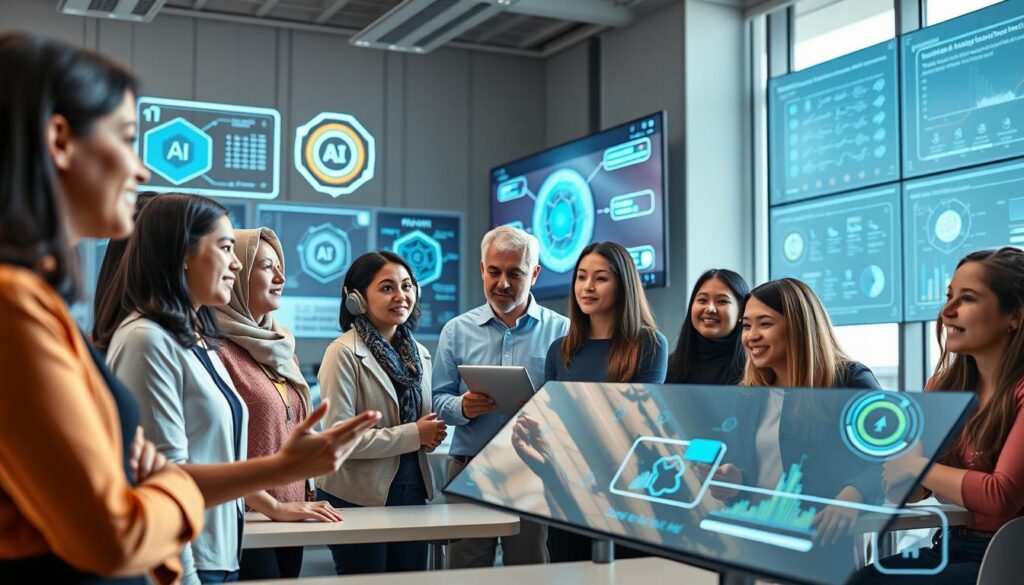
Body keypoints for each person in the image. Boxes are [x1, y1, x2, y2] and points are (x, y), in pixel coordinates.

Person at [0, 32, 377, 585]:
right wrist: (163, 485)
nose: (141, 169)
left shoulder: (35, 300)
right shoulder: (16, 306)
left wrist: (276, 471)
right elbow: (113, 531)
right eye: (126, 139)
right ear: (59, 139)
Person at [105, 194, 361, 584]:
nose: (237, 263)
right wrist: (280, 469)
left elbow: (215, 457)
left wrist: (272, 501)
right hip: (187, 560)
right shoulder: (145, 340)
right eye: (225, 248)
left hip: (221, 551)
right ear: (183, 254)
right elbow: (164, 483)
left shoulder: (195, 339)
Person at [850, 247, 1024, 585]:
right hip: (950, 544)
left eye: (968, 298)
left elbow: (999, 497)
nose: (947, 311)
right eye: (949, 297)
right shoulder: (944, 386)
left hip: (1010, 557)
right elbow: (913, 492)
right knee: (860, 579)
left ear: (1014, 315)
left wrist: (916, 466)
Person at [433, 226, 569, 567]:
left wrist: (546, 408)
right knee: (465, 572)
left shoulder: (562, 332)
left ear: (535, 274)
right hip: (469, 471)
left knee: (528, 572)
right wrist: (462, 406)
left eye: (515, 273)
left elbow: (571, 406)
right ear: (482, 269)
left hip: (533, 473)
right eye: (494, 271)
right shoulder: (456, 331)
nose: (503, 283)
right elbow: (437, 402)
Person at [713, 277, 883, 547]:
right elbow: (751, 467)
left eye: (765, 324)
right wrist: (735, 479)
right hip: (759, 537)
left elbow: (889, 461)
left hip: (823, 541)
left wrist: (853, 495)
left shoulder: (849, 381)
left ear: (798, 327)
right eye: (746, 326)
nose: (751, 335)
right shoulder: (751, 394)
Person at [213, 228, 340, 580]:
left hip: (292, 507)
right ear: (236, 272)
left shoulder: (281, 345)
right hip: (248, 513)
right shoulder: (214, 350)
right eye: (268, 266)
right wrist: (271, 506)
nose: (281, 277)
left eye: (281, 266)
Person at [316, 251, 445, 574]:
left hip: (413, 489)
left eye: (407, 286)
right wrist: (415, 435)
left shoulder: (420, 355)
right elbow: (341, 442)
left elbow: (419, 425)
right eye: (387, 288)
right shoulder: (342, 353)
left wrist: (429, 435)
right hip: (357, 495)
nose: (401, 296)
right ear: (356, 299)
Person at [543, 241, 668, 561]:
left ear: (622, 284)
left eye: (600, 278)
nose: (587, 287)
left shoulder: (649, 344)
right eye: (581, 277)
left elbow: (638, 424)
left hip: (627, 493)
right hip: (568, 489)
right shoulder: (560, 349)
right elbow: (552, 419)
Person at [665, 268, 749, 385]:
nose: (710, 309)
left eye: (722, 301)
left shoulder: (754, 369)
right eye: (702, 300)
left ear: (742, 311)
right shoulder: (666, 367)